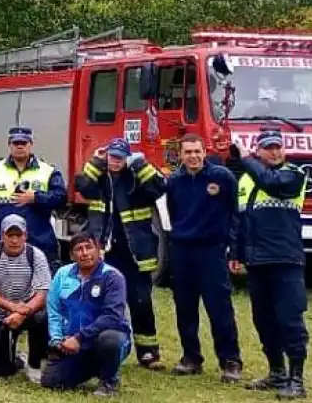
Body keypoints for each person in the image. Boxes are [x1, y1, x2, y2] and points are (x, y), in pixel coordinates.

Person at [74, 137, 166, 370]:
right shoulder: (99, 179)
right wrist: (95, 161)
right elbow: (82, 186)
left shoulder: (137, 179)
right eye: (112, 156)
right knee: (100, 302)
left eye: (120, 157)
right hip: (105, 251)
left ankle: (148, 353)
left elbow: (158, 188)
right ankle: (98, 347)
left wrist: (140, 165)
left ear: (127, 158)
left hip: (136, 253)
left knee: (141, 302)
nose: (115, 162)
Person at [233, 126, 310, 399]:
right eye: (269, 147)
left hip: (286, 260)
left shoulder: (294, 175)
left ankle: (296, 380)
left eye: (278, 146)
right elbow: (241, 221)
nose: (275, 151)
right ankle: (277, 373)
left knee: (290, 321)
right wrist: (237, 254)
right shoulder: (246, 180)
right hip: (257, 262)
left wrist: (247, 159)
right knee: (263, 320)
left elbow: (272, 183)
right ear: (259, 149)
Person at [165, 133, 243, 381]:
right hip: (182, 250)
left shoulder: (222, 177)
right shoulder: (174, 181)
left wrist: (232, 246)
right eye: (188, 152)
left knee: (219, 307)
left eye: (197, 151)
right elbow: (173, 211)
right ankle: (191, 358)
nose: (193, 156)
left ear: (204, 150)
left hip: (212, 250)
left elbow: (235, 212)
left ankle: (230, 360)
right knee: (185, 307)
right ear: (180, 154)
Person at [41, 232, 132, 396]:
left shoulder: (112, 277)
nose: (84, 253)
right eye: (78, 249)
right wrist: (57, 340)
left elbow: (112, 317)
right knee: (51, 381)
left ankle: (109, 381)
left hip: (106, 338)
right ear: (72, 255)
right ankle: (96, 367)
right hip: (75, 345)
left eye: (89, 247)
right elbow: (53, 309)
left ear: (98, 250)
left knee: (110, 340)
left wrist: (79, 337)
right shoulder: (63, 274)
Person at [0, 126, 67, 271]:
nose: (19, 146)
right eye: (16, 143)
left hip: (37, 241)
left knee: (38, 286)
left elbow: (61, 198)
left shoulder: (48, 171)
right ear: (9, 145)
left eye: (24, 143)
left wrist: (36, 197)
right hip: (2, 242)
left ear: (31, 145)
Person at [0, 214, 51, 383]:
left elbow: (42, 294)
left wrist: (22, 312)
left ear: (25, 236)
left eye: (19, 235)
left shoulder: (36, 255)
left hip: (27, 310)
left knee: (42, 317)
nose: (14, 240)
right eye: (10, 235)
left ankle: (34, 364)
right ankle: (17, 360)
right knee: (2, 372)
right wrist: (13, 308)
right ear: (2, 235)